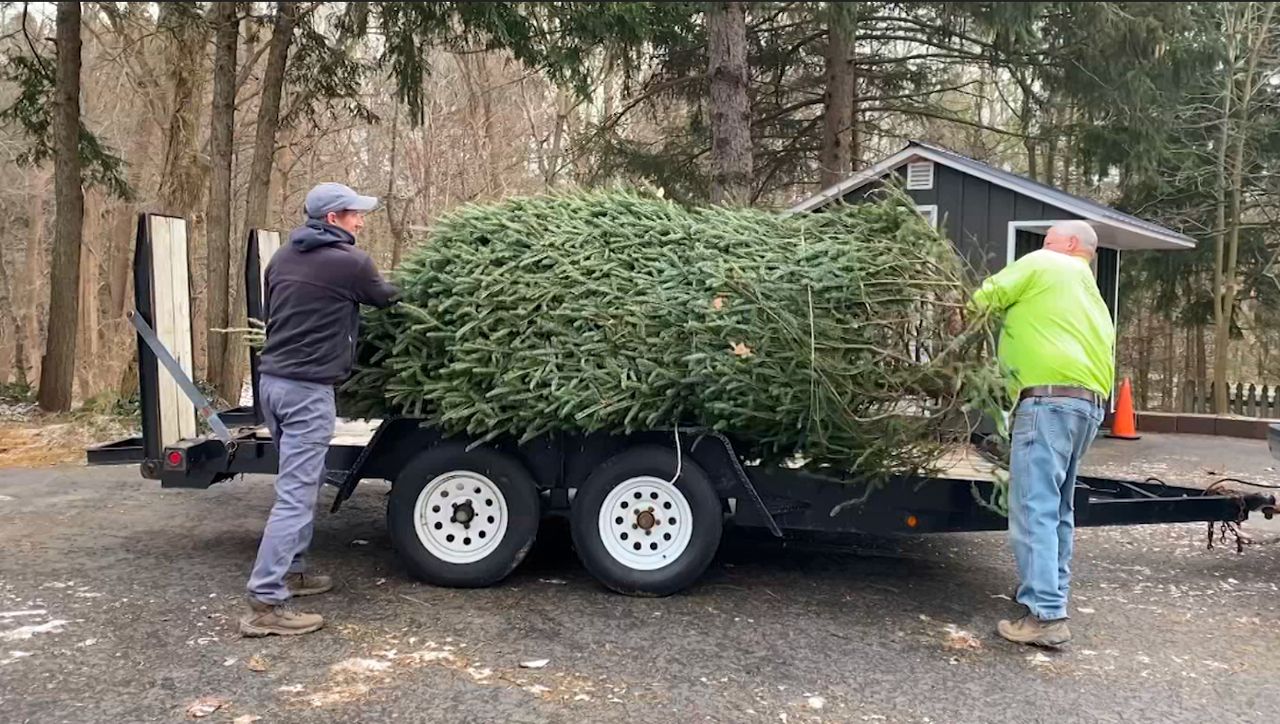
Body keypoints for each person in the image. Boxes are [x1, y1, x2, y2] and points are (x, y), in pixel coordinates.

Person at [240, 182, 400, 637]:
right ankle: (264, 605)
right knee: (295, 496)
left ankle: (293, 572)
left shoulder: (282, 258)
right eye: (355, 214)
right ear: (333, 219)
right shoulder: (350, 263)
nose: (362, 221)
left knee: (296, 487)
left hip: (271, 384)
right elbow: (386, 298)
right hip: (307, 392)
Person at [969, 219, 1114, 648]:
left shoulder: (1047, 264)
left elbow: (981, 299)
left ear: (1069, 244)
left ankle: (1046, 615)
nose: (1042, 245)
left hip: (1047, 403)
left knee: (1033, 507)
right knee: (1058, 509)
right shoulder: (1093, 297)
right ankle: (1048, 590)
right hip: (1087, 407)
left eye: (1048, 238)